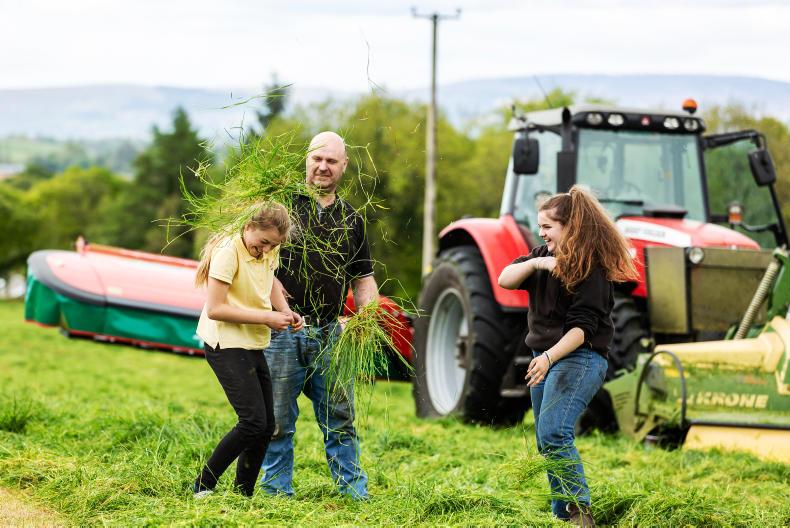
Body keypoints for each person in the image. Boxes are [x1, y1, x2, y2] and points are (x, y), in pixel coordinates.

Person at [498, 186, 637, 527]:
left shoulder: (592, 270)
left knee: (554, 431)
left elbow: (582, 331)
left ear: (570, 227)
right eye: (540, 227)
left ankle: (579, 512)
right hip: (544, 357)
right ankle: (563, 515)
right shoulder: (540, 256)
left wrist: (547, 358)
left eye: (548, 227)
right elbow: (504, 279)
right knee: (546, 439)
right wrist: (537, 263)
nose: (542, 233)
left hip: (580, 358)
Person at [260, 131, 377, 500]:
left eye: (331, 161)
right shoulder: (280, 206)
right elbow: (253, 258)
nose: (323, 167)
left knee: (341, 418)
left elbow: (363, 278)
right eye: (317, 159)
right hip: (282, 332)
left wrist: (367, 320)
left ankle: (352, 491)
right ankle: (276, 492)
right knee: (278, 419)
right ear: (307, 160)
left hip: (330, 333)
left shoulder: (352, 218)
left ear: (344, 166)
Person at [193, 201, 303, 498]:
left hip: (251, 341)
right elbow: (215, 309)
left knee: (267, 425)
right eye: (263, 242)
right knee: (252, 421)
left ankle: (243, 494)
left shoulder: (267, 250)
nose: (266, 250)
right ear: (248, 226)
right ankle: (203, 485)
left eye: (274, 245)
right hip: (225, 343)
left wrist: (285, 310)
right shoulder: (228, 252)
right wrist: (267, 317)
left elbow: (270, 281)